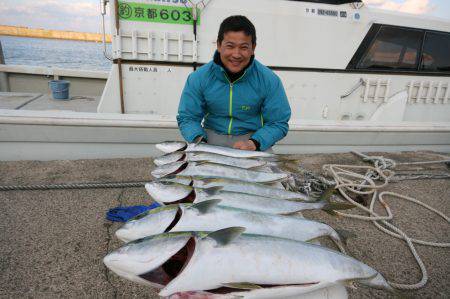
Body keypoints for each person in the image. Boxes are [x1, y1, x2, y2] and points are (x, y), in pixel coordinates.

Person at [177, 15, 291, 152]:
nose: (236, 54)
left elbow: (278, 123)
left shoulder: (269, 80)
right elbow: (188, 117)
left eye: (244, 47)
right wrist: (199, 140)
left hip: (252, 140)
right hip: (209, 138)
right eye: (230, 46)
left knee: (270, 172)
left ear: (253, 48)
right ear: (219, 45)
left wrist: (255, 142)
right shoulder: (199, 77)